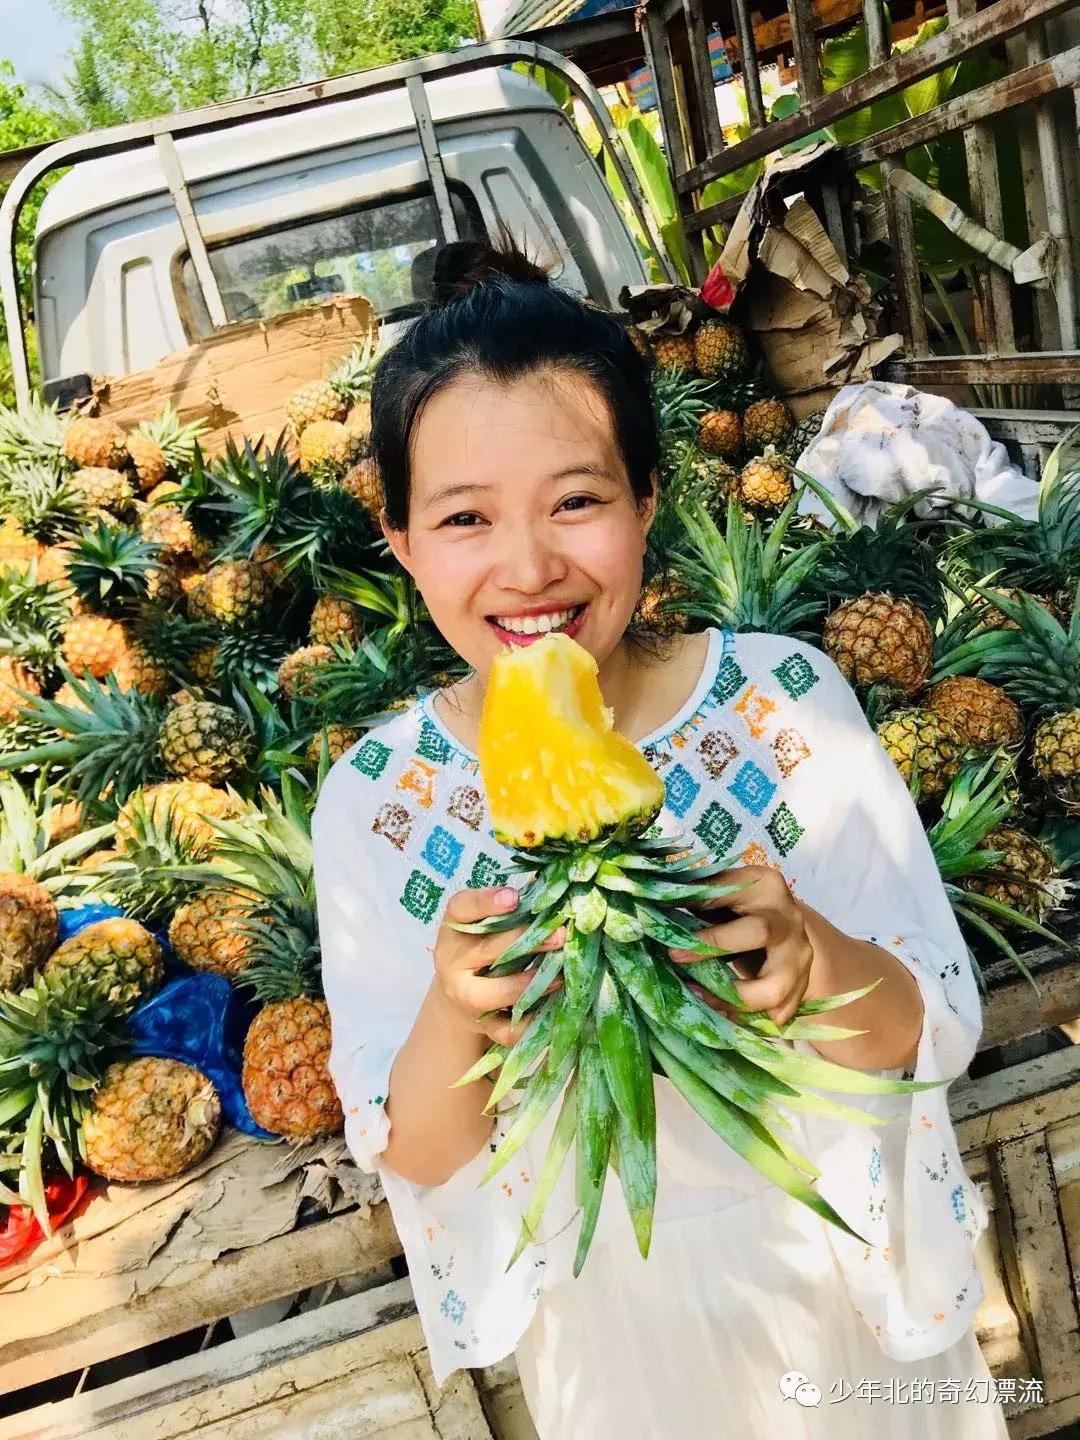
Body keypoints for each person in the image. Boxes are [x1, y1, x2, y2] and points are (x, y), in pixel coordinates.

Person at [311, 235, 1010, 1438]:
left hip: (853, 1300)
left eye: (577, 500)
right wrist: (458, 1005)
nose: (529, 567)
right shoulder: (377, 800)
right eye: (465, 518)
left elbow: (929, 1022)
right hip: (620, 1339)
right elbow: (413, 1145)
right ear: (404, 545)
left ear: (648, 500)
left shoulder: (783, 706)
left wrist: (815, 956)